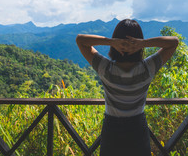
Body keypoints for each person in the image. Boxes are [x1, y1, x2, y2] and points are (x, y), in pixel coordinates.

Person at [76, 19, 179, 156]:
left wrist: (111, 42)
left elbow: (80, 40)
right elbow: (174, 42)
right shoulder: (147, 69)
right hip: (138, 129)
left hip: (111, 129)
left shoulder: (105, 68)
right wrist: (144, 44)